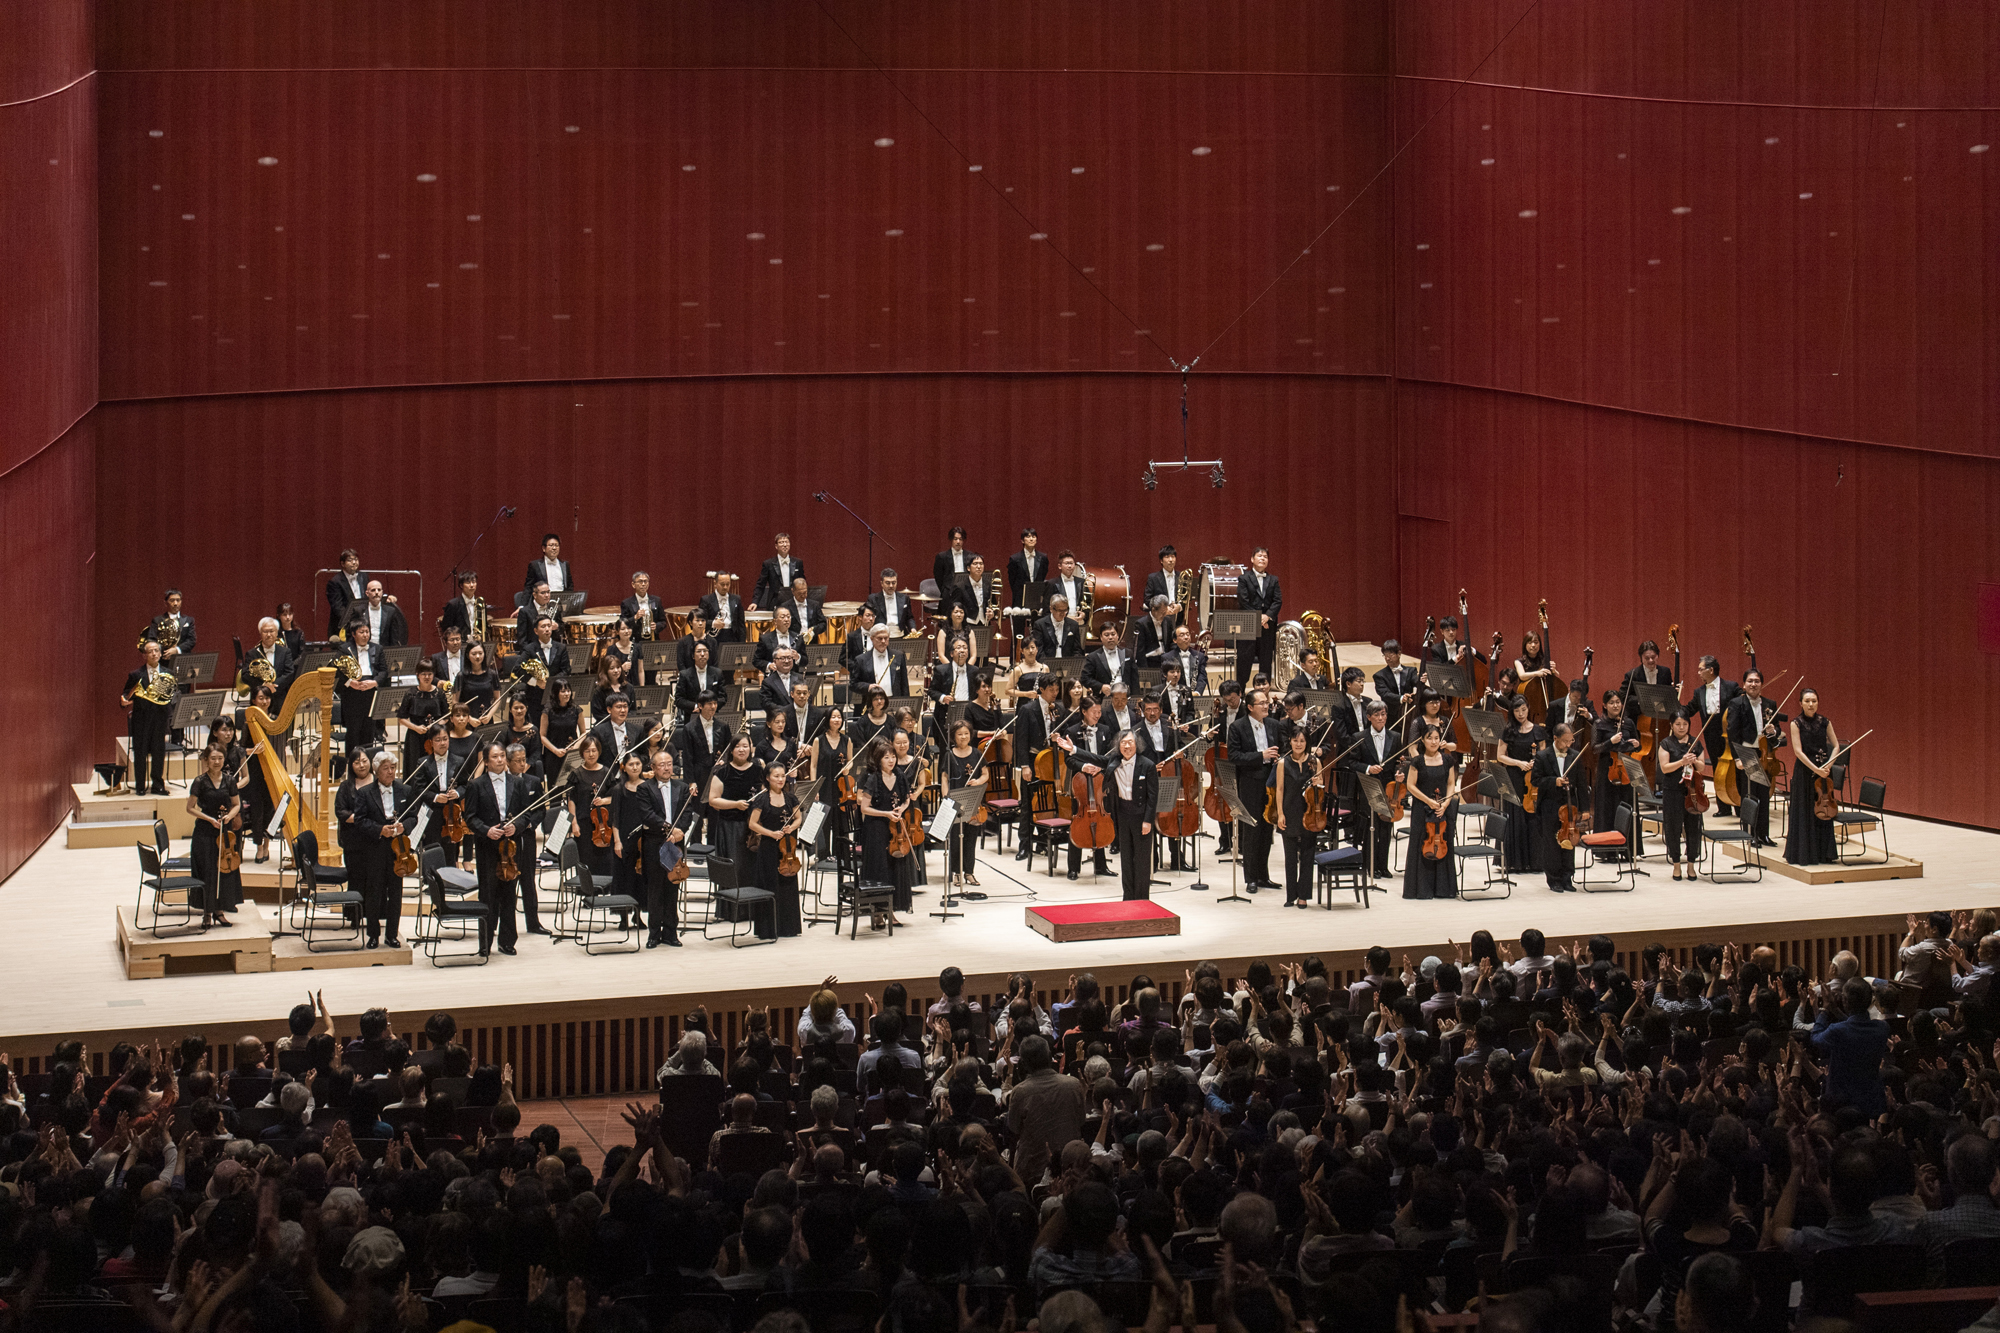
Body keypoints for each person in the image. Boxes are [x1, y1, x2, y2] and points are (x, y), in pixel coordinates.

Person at [464, 742, 524, 957]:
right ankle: (485, 942)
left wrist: (516, 826)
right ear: (486, 762)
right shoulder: (476, 785)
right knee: (488, 894)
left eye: (502, 756)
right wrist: (486, 830)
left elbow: (526, 814)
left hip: (511, 846)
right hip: (488, 846)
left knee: (509, 894)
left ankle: (507, 941)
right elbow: (470, 817)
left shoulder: (517, 782)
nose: (500, 760)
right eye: (495, 757)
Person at [1226, 688, 1281, 892]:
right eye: (1262, 703)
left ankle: (1263, 876)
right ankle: (1251, 878)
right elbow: (1234, 756)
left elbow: (1283, 749)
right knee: (1252, 831)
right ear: (1250, 707)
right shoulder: (1237, 727)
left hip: (1271, 782)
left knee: (1267, 831)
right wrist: (1261, 756)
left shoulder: (1274, 725)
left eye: (1267, 702)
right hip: (1250, 783)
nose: (1267, 706)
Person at [352, 752, 409, 949]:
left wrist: (404, 827)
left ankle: (392, 935)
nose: (391, 772)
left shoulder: (404, 790)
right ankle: (373, 935)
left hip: (398, 849)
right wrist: (379, 830)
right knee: (374, 892)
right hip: (375, 848)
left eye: (393, 768)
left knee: (396, 893)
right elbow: (360, 821)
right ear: (376, 771)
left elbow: (413, 816)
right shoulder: (365, 793)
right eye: (386, 768)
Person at [1725, 668, 1785, 846]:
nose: (1753, 684)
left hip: (1764, 754)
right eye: (1750, 681)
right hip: (1747, 753)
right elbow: (1732, 733)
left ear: (1762, 684)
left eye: (1757, 681)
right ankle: (1749, 834)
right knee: (1749, 795)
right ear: (1744, 684)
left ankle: (1763, 835)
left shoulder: (1770, 704)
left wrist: (1773, 730)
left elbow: (1778, 729)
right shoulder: (1737, 703)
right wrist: (1737, 758)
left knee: (1764, 795)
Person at [858, 741, 914, 928]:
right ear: (879, 759)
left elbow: (907, 800)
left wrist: (901, 809)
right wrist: (886, 814)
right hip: (876, 829)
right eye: (886, 757)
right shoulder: (873, 779)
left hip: (895, 829)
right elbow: (864, 808)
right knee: (879, 869)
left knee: (894, 867)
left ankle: (891, 910)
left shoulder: (900, 776)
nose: (891, 760)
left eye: (893, 756)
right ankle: (877, 912)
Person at [637, 749, 689, 948]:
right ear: (653, 767)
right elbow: (647, 814)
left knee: (672, 886)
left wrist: (679, 831)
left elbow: (687, 813)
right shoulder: (644, 788)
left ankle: (670, 933)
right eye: (662, 765)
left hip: (675, 843)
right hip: (654, 842)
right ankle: (654, 934)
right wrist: (669, 828)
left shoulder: (682, 787)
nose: (667, 768)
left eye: (669, 764)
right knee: (655, 888)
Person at [186, 745, 243, 927]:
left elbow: (236, 804)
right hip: (204, 831)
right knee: (207, 871)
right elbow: (190, 808)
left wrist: (230, 816)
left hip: (224, 832)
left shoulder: (230, 781)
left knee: (223, 871)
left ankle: (220, 911)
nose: (217, 762)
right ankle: (207, 913)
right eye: (213, 758)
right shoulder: (200, 782)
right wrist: (209, 819)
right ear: (206, 760)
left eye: (220, 758)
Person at [1783, 689, 1841, 866]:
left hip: (1824, 772)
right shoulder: (1796, 723)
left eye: (1814, 701)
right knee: (1804, 810)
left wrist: (1828, 765)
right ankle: (1804, 854)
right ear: (1800, 703)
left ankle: (1824, 853)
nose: (1811, 704)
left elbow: (1836, 746)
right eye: (1807, 701)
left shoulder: (1825, 722)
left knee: (1823, 810)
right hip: (1805, 772)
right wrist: (1816, 769)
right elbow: (1798, 751)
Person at [747, 761, 804, 939]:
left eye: (783, 776)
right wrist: (770, 833)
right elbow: (752, 824)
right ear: (767, 778)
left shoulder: (790, 797)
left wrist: (791, 827)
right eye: (776, 776)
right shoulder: (762, 799)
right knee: (770, 884)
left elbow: (798, 818)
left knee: (787, 885)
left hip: (787, 848)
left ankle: (788, 927)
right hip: (768, 848)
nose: (780, 779)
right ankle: (768, 928)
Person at [1403, 726, 1457, 901]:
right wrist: (1429, 801)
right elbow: (1411, 785)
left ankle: (1443, 888)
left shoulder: (1448, 759)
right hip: (1422, 808)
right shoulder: (1418, 761)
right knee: (1421, 843)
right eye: (1429, 738)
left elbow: (1451, 783)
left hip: (1443, 809)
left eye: (1436, 738)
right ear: (1422, 740)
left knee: (1444, 843)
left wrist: (1446, 803)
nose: (1433, 742)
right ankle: (1421, 889)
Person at [1494, 696, 1543, 874]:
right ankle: (1514, 862)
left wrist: (1536, 762)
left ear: (1528, 708)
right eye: (1516, 711)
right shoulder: (1508, 731)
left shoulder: (1538, 730)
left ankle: (1535, 861)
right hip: (1514, 777)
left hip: (1533, 779)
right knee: (1514, 816)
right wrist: (1519, 763)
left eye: (1523, 710)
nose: (1520, 714)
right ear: (1512, 712)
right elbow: (1500, 756)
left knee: (1532, 816)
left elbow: (1544, 753)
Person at [1656, 710, 1706, 880]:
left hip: (1692, 792)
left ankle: (1691, 865)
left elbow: (1702, 767)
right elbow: (1665, 768)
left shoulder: (1695, 743)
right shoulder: (1666, 743)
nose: (1682, 727)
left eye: (1685, 724)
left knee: (1693, 828)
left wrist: (1695, 761)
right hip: (1673, 791)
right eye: (1678, 724)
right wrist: (1682, 762)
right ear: (1671, 725)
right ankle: (1676, 865)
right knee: (1673, 828)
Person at [1273, 727, 1320, 908]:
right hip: (1290, 810)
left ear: (1306, 742)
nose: (1298, 744)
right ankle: (1291, 895)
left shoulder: (1315, 762)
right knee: (1290, 856)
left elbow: (1321, 787)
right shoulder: (1283, 763)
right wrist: (1280, 813)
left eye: (1302, 741)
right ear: (1290, 742)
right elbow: (1279, 789)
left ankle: (1303, 896)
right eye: (1295, 740)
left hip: (1309, 812)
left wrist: (1318, 782)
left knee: (1308, 855)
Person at [122, 640, 176, 795]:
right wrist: (123, 700)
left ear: (160, 653)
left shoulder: (169, 673)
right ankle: (140, 786)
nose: (154, 654)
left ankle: (157, 785)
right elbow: (126, 693)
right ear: (144, 656)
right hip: (141, 719)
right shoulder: (135, 674)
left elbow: (172, 695)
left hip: (160, 718)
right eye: (150, 651)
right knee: (140, 752)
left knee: (159, 752)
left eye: (156, 651)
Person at [1532, 723, 1582, 892]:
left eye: (1571, 741)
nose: (1569, 744)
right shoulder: (1543, 756)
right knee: (1552, 843)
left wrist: (1585, 810)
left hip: (1569, 805)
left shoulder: (1575, 755)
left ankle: (1567, 878)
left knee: (1569, 841)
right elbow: (1535, 780)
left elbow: (1582, 784)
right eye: (1565, 741)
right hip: (1550, 805)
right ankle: (1554, 879)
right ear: (1555, 738)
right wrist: (1554, 781)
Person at [942, 720, 986, 892]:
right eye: (959, 734)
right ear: (954, 736)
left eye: (966, 733)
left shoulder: (977, 753)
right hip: (956, 801)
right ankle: (956, 872)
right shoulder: (949, 755)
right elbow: (944, 778)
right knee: (955, 838)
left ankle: (969, 872)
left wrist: (978, 781)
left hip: (973, 800)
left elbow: (985, 774)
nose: (963, 737)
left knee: (971, 838)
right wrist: (946, 798)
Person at [706, 733, 762, 869]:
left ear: (751, 748)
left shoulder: (758, 771)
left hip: (753, 827)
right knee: (733, 866)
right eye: (737, 746)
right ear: (731, 750)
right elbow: (713, 800)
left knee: (752, 866)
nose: (741, 749)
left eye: (745, 746)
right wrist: (735, 804)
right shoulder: (722, 772)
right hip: (730, 826)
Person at [1233, 547, 1281, 684]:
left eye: (1265, 557)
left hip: (1267, 628)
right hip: (1248, 626)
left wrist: (1267, 616)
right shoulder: (1243, 578)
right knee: (1244, 661)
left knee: (1266, 661)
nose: (1262, 558)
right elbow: (1243, 601)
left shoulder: (1274, 580)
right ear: (1252, 559)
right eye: (1259, 556)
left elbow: (1277, 601)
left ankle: (1264, 692)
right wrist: (1259, 617)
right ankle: (1240, 692)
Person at [523, 531, 570, 596]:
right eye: (551, 545)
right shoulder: (535, 565)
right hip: (544, 600)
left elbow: (569, 586)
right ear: (543, 548)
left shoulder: (565, 564)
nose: (554, 548)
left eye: (556, 545)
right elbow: (529, 587)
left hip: (562, 600)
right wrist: (524, 602)